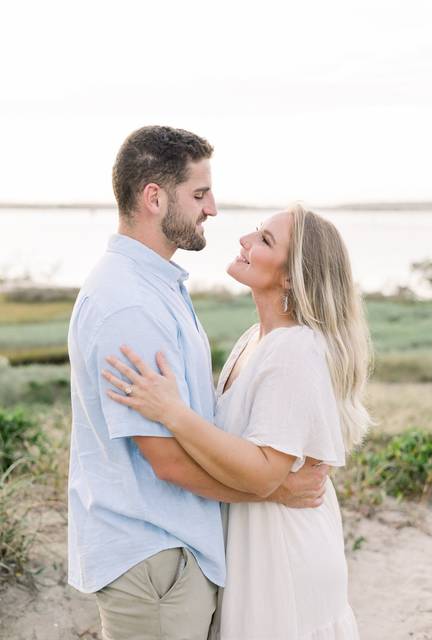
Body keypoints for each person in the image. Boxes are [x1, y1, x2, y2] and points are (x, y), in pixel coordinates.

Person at [67, 126, 328, 640]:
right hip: (155, 557)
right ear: (154, 198)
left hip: (172, 553)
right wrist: (275, 490)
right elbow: (163, 460)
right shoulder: (129, 304)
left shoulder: (153, 286)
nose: (212, 209)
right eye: (200, 194)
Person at [102, 204, 370, 639]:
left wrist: (172, 412)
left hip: (281, 545)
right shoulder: (256, 339)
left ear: (289, 275)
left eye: (264, 240)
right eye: (255, 232)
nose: (245, 240)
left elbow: (266, 471)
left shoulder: (294, 350)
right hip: (253, 534)